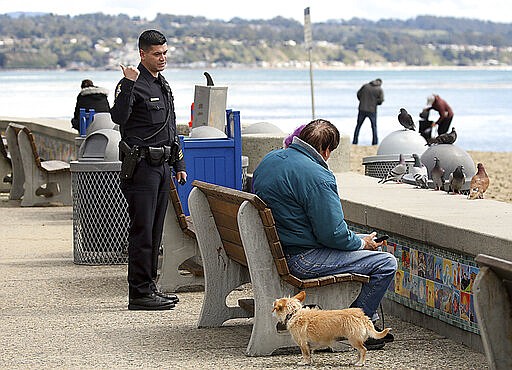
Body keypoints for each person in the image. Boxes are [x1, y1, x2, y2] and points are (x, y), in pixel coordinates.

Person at [253, 119, 397, 349]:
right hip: (302, 259)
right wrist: (362, 244)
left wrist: (358, 240)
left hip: (279, 249)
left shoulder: (271, 159)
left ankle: (366, 322)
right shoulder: (318, 176)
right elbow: (333, 235)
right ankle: (356, 330)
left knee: (360, 241)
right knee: (386, 263)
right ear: (326, 150)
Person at [110, 30, 187, 311]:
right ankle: (139, 293)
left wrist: (178, 163)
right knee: (142, 231)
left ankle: (150, 287)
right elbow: (118, 117)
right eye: (157, 54)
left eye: (165, 53)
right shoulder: (131, 84)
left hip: (162, 166)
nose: (162, 58)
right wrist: (129, 84)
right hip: (141, 167)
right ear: (142, 54)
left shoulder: (162, 84)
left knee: (155, 232)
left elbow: (170, 127)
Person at [352, 78, 384, 145]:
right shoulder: (379, 89)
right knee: (374, 127)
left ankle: (355, 142)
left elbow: (358, 94)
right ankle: (375, 143)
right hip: (372, 110)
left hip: (362, 109)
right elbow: (381, 101)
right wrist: (375, 102)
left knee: (358, 126)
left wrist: (362, 100)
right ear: (380, 83)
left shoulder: (365, 86)